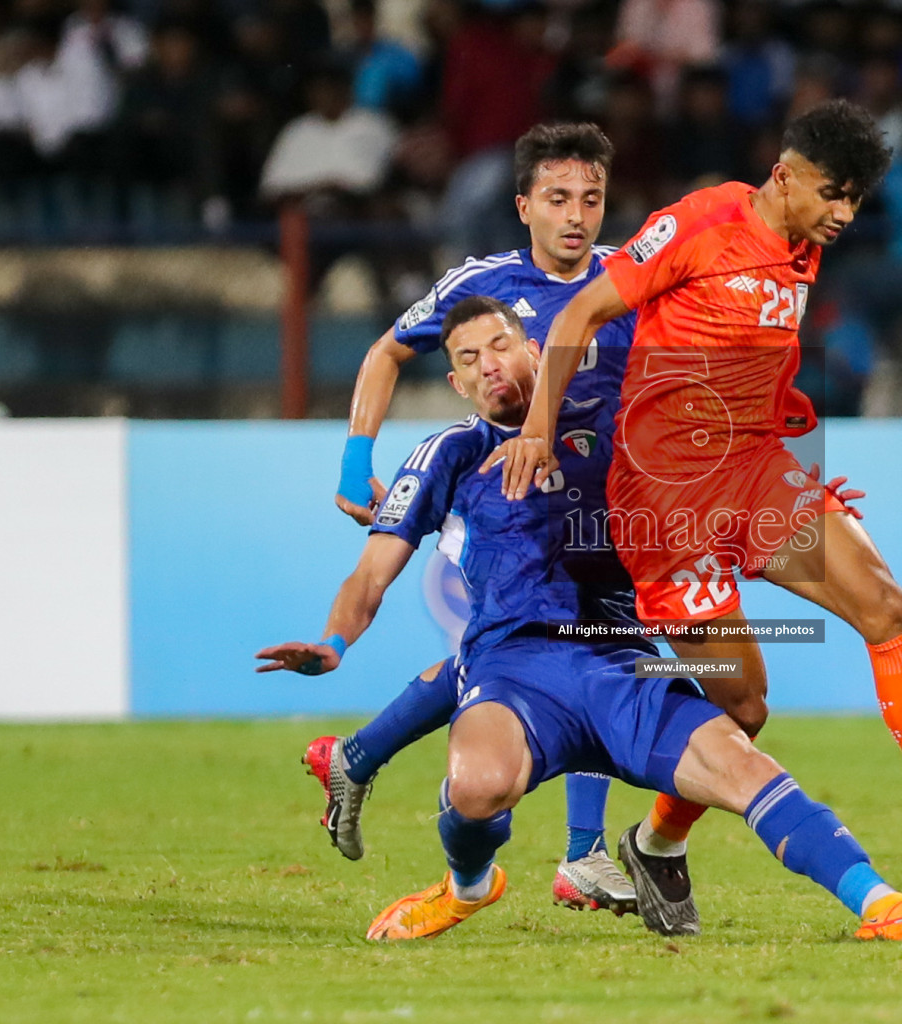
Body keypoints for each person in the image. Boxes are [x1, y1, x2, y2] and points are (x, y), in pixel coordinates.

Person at [486, 99, 902, 936]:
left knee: (887, 607)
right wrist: (536, 432)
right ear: (784, 176)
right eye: (833, 194)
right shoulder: (699, 223)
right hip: (667, 499)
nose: (845, 215)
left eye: (856, 199)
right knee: (742, 707)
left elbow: (759, 353)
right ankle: (654, 845)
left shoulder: (801, 244)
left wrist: (795, 437)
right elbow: (579, 313)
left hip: (754, 473)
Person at [258, 297, 902, 944]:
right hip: (515, 668)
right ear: (456, 384)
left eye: (500, 345)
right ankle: (468, 887)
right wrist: (333, 642)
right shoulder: (450, 453)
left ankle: (880, 904)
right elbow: (371, 572)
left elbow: (725, 467)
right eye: (468, 360)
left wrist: (790, 492)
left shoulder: (621, 424)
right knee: (477, 785)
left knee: (743, 758)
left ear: (536, 349)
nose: (489, 366)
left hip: (623, 659)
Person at [309, 122, 789, 921]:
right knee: (560, 643)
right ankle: (582, 854)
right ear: (524, 204)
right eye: (559, 199)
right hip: (521, 491)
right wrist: (357, 460)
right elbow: (388, 351)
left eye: (592, 199)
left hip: (617, 501)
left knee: (561, 653)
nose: (577, 216)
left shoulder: (632, 281)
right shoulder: (486, 287)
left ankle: (359, 756)